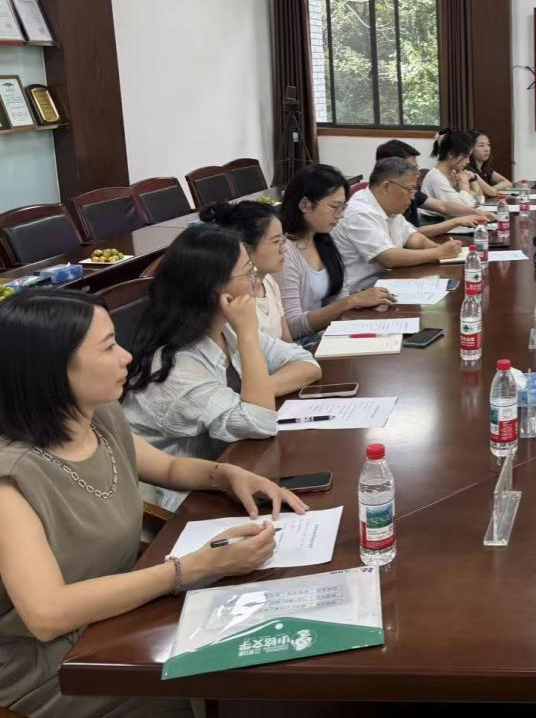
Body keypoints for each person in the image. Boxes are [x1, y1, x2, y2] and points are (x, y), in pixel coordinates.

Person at [0, 289, 303, 718]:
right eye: (108, 347)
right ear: (51, 369)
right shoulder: (10, 478)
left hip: (122, 616)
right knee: (241, 687)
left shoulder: (98, 416)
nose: (126, 357)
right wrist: (188, 570)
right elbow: (48, 613)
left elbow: (169, 468)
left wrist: (226, 475)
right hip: (55, 668)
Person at [123, 225, 322, 511]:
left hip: (228, 469)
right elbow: (260, 423)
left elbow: (306, 363)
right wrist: (249, 337)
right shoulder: (176, 365)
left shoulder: (224, 330)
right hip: (178, 500)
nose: (256, 278)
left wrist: (253, 393)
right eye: (247, 270)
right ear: (215, 287)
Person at [277, 164, 397, 341]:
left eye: (343, 207)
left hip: (327, 335)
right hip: (303, 345)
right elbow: (291, 327)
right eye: (335, 207)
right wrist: (351, 302)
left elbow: (339, 295)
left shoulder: (323, 240)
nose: (340, 215)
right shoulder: (284, 252)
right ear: (305, 204)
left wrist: (352, 304)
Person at [333, 156, 464, 294]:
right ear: (387, 187)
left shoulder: (389, 206)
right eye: (409, 190)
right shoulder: (359, 212)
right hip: (358, 294)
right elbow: (389, 258)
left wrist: (438, 248)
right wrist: (439, 253)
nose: (412, 197)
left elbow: (413, 237)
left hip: (385, 283)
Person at [201, 200, 292, 341]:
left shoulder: (268, 281)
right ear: (244, 247)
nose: (283, 249)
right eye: (276, 241)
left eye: (282, 240)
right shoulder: (234, 301)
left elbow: (288, 343)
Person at [375, 139, 486, 222]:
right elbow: (412, 233)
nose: (418, 173)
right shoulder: (379, 206)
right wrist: (456, 222)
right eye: (412, 169)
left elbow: (443, 206)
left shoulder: (411, 191)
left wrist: (476, 212)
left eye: (416, 168)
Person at [422, 129, 484, 209]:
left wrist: (472, 180)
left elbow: (480, 201)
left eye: (469, 156)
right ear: (451, 154)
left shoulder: (455, 173)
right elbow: (462, 208)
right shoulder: (436, 177)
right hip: (432, 218)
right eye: (465, 156)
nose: (468, 161)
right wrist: (464, 182)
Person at [467, 129, 514, 197]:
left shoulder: (485, 168)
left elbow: (508, 183)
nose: (487, 149)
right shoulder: (468, 169)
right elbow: (491, 192)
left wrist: (490, 189)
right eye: (481, 145)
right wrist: (490, 190)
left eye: (488, 145)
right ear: (470, 149)